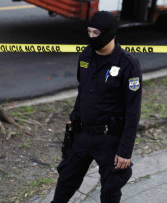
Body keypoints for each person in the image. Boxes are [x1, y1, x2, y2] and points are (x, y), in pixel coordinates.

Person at [51, 11, 142, 203]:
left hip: (109, 139)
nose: (91, 37)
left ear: (109, 33)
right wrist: (73, 119)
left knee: (110, 189)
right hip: (83, 133)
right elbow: (83, 91)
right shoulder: (86, 55)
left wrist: (125, 150)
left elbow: (133, 111)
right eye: (89, 32)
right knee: (66, 180)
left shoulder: (128, 65)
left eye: (96, 33)